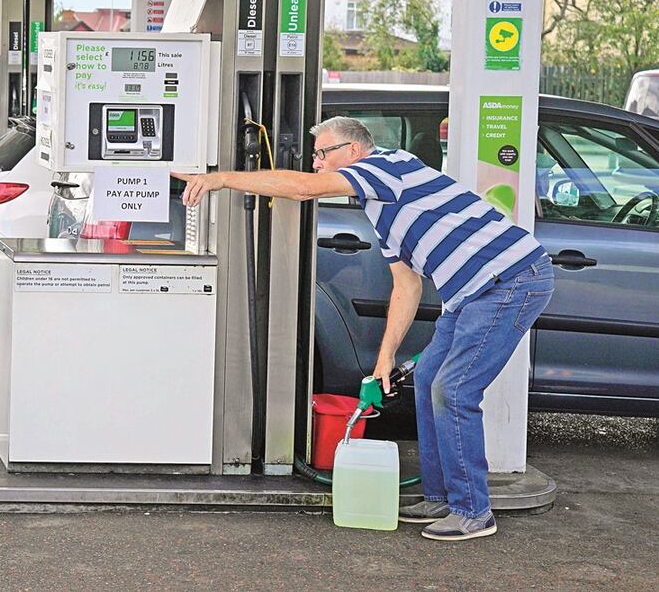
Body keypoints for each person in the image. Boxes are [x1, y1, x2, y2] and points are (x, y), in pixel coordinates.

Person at [177, 116, 554, 541]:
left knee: (454, 389)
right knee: (429, 377)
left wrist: (221, 179)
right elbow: (406, 286)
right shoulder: (385, 211)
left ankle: (473, 512)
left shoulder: (386, 168)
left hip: (511, 281)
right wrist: (385, 356)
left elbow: (302, 189)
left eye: (323, 153)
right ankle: (440, 498)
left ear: (352, 151)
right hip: (470, 294)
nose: (317, 163)